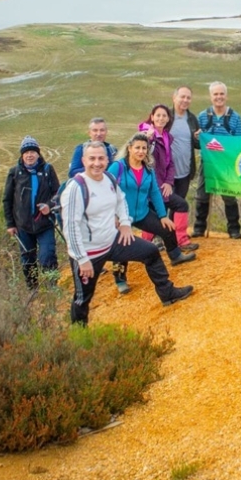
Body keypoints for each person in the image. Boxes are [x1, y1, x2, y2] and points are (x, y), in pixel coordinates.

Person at [60, 141, 194, 325]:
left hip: (112, 240)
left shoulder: (109, 179)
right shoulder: (76, 187)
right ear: (84, 160)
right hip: (88, 252)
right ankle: (78, 332)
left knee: (151, 252)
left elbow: (120, 200)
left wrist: (124, 223)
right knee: (83, 297)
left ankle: (167, 293)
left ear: (107, 160)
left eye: (101, 158)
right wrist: (81, 259)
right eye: (92, 158)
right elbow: (70, 227)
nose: (96, 163)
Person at [109, 132, 197, 287]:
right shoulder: (118, 167)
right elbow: (106, 188)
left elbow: (155, 192)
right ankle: (120, 279)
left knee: (167, 228)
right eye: (137, 148)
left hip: (142, 213)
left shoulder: (148, 169)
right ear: (129, 148)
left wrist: (163, 215)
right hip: (121, 217)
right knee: (121, 246)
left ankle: (175, 256)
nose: (141, 151)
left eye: (144, 148)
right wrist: (112, 215)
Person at [3, 136, 60, 290]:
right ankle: (32, 289)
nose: (30, 155)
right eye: (26, 152)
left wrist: (49, 205)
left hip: (45, 223)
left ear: (38, 154)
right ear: (22, 155)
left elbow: (58, 193)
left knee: (47, 255)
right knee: (27, 259)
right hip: (23, 226)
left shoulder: (48, 170)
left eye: (33, 152)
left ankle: (51, 288)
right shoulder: (14, 173)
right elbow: (7, 200)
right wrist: (10, 224)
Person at [138, 103, 197, 253]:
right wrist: (157, 187)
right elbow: (147, 164)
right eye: (158, 115)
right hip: (151, 186)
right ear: (152, 117)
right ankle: (179, 240)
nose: (161, 118)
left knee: (157, 212)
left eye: (164, 115)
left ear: (168, 118)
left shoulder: (166, 136)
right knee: (176, 206)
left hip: (161, 185)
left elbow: (170, 163)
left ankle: (151, 243)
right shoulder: (146, 137)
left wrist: (169, 183)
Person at [194, 81, 241, 239]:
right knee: (202, 194)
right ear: (210, 97)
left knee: (229, 195)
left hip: (227, 164)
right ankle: (199, 228)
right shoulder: (202, 116)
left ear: (226, 96)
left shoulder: (235, 118)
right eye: (215, 94)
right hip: (207, 162)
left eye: (221, 94)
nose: (219, 97)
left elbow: (240, 143)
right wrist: (196, 137)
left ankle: (234, 229)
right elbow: (196, 144)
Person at [170, 85, 201, 252]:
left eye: (188, 98)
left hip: (184, 171)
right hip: (166, 173)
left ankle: (174, 238)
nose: (185, 100)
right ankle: (163, 238)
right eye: (182, 97)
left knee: (178, 205)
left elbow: (196, 145)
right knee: (164, 205)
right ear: (174, 97)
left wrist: (198, 138)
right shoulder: (166, 116)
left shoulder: (192, 119)